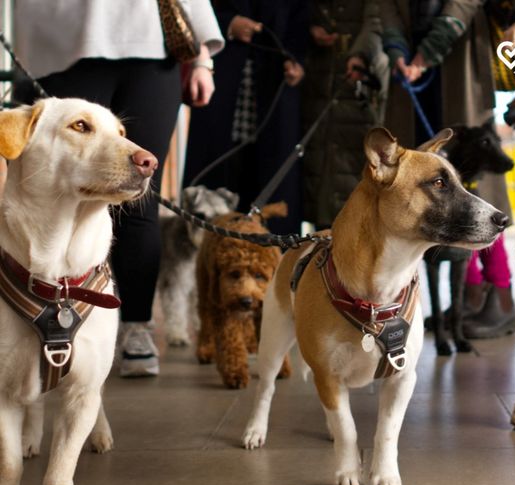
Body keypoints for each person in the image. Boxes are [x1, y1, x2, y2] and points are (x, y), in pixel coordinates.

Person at [14, 0, 224, 378]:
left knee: (139, 198)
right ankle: (35, 322)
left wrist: (202, 58)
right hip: (64, 43)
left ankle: (137, 329)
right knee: (54, 195)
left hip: (152, 49)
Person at [381, 0, 515, 338]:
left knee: (475, 182)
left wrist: (427, 51)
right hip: (412, 70)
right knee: (427, 187)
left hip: (458, 57)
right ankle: (469, 296)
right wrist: (396, 48)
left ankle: (501, 294)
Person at [182, 1, 308, 235]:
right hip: (222, 76)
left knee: (272, 178)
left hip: (274, 83)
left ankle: (270, 263)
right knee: (216, 168)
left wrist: (297, 61)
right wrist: (229, 24)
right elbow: (192, 9)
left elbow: (301, 18)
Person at [302, 0, 387, 229]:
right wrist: (310, 29)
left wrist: (362, 53)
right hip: (316, 80)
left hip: (359, 82)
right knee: (315, 171)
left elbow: (378, 20)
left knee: (349, 176)